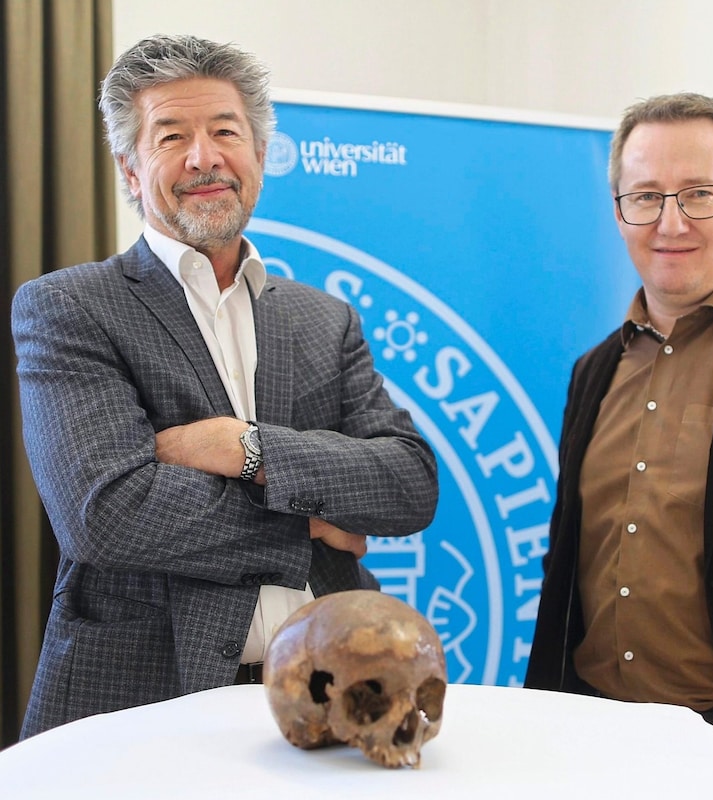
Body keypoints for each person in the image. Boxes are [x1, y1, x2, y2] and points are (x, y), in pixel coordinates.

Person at [11, 34, 438, 739]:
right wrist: (310, 519)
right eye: (171, 136)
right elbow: (106, 512)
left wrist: (242, 448)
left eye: (225, 133)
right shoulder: (70, 307)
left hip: (332, 699)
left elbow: (408, 484)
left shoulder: (322, 319)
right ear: (129, 166)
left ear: (261, 156)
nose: (203, 157)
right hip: (145, 698)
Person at [524, 92, 713, 787]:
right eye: (645, 197)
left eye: (699, 194)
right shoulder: (595, 371)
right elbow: (568, 575)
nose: (670, 222)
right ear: (619, 212)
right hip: (589, 736)